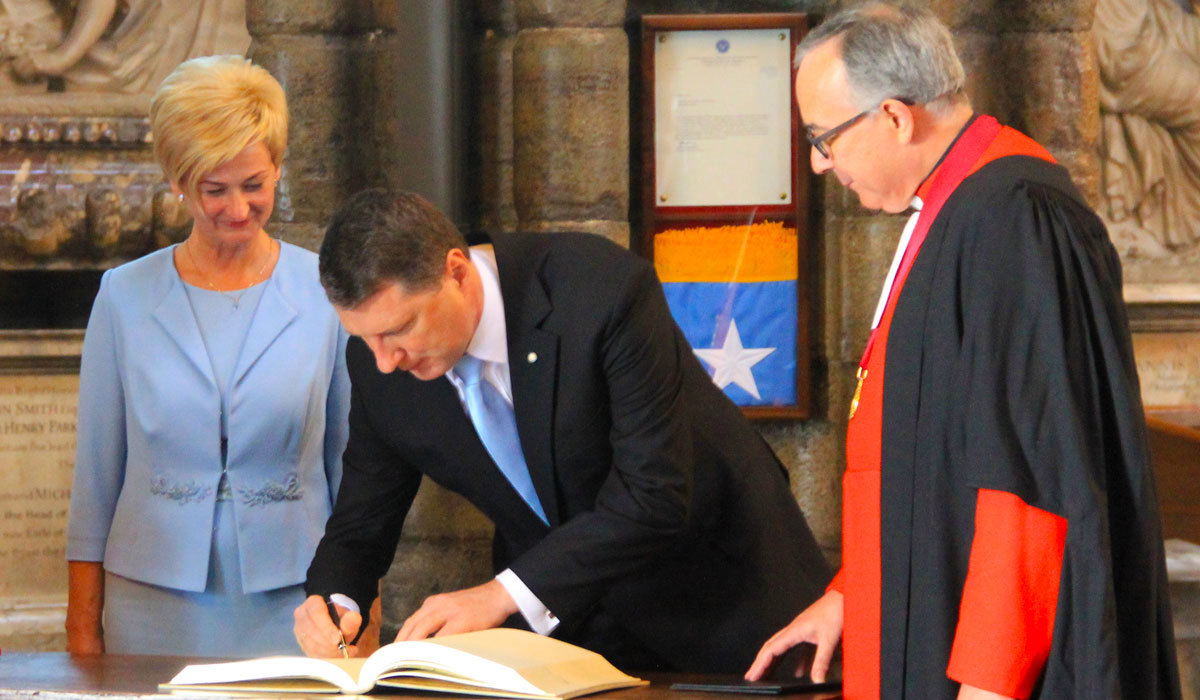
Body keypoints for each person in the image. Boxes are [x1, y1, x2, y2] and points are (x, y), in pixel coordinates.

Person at [744, 4, 1180, 699]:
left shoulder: (1015, 219)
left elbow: (1027, 488)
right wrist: (854, 595)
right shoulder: (955, 210)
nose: (820, 164)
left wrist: (989, 682)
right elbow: (933, 456)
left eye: (824, 138)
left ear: (894, 117)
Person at [292, 189, 831, 673]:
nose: (385, 361)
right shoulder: (380, 368)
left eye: (400, 328)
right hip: (573, 629)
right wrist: (336, 600)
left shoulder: (599, 290)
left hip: (725, 593)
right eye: (364, 339)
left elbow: (655, 495)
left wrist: (501, 595)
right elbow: (361, 524)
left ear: (457, 271)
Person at [65, 55, 349, 657]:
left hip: (299, 599)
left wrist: (361, 601)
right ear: (178, 180)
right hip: (152, 594)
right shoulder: (124, 295)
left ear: (278, 170)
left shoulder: (326, 290)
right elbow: (96, 473)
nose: (237, 210)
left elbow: (355, 468)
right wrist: (82, 629)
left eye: (255, 185)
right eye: (213, 190)